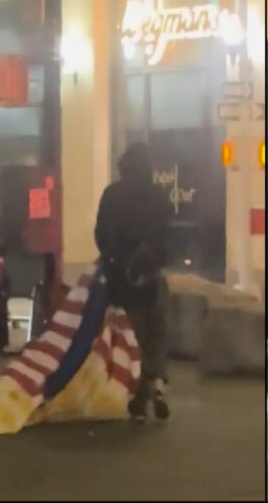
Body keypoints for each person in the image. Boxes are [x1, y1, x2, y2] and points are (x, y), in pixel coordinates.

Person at [95, 142, 173, 422]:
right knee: (157, 333)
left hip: (122, 279)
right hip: (151, 275)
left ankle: (138, 401)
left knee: (133, 338)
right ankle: (159, 382)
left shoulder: (112, 195)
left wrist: (113, 260)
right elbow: (167, 238)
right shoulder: (158, 196)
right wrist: (154, 260)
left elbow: (102, 235)